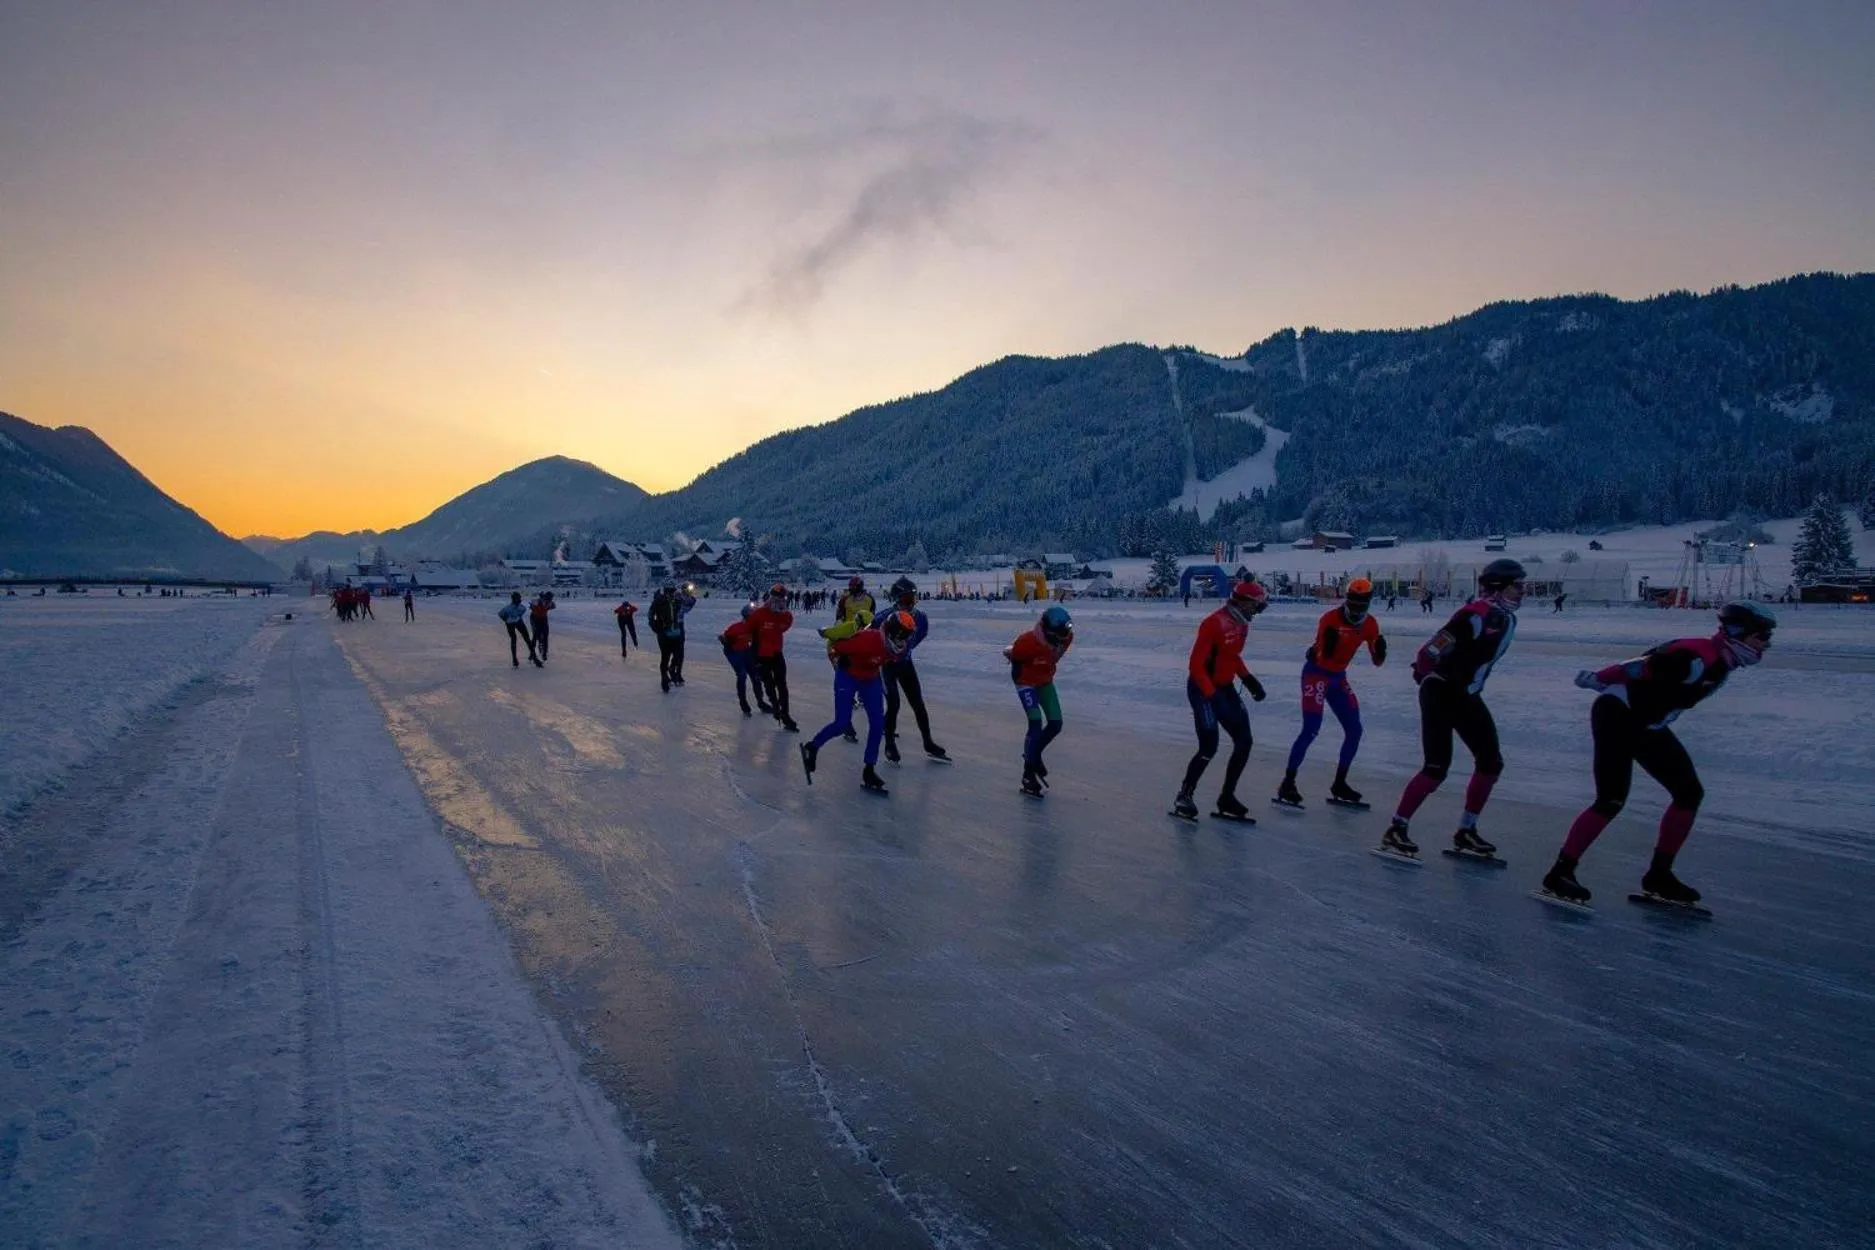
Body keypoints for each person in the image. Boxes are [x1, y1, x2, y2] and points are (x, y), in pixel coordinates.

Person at [1539, 602, 1775, 906]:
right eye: (1762, 638)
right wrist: (1599, 678)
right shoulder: (1695, 657)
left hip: (1647, 724)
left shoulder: (1720, 661)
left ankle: (1659, 876)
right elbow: (1636, 666)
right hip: (1618, 714)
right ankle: (1560, 872)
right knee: (1611, 798)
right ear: (1739, 634)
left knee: (1689, 793)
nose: (1766, 645)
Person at [1380, 558, 1526, 859]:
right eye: (1517, 586)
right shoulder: (1474, 616)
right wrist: (1423, 673)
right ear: (1497, 588)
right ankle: (1397, 828)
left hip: (1466, 695)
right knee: (1436, 768)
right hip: (1441, 692)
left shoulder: (1505, 619)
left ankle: (1466, 831)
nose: (1522, 592)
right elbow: (1431, 649)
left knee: (1491, 763)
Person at [1276, 579, 1385, 808]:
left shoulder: (1370, 624)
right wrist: (1325, 648)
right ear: (1347, 601)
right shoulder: (1329, 619)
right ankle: (1288, 782)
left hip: (1337, 678)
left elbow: (1377, 662)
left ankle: (1339, 783)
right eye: (1353, 604)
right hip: (1317, 675)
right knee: (1311, 729)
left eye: (1361, 606)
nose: (1356, 611)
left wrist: (1380, 651)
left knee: (1354, 730)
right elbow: (1319, 656)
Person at [1172, 581, 1269, 822]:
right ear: (1243, 602)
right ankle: (1185, 794)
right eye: (1256, 606)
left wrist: (1248, 679)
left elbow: (1232, 656)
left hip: (1224, 687)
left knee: (1244, 741)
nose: (1257, 612)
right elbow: (1196, 665)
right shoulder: (1213, 623)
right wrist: (1212, 696)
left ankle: (1227, 796)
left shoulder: (1242, 624)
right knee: (1209, 745)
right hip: (1203, 688)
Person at [801, 609, 915, 793]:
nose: (903, 640)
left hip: (870, 678)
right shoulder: (868, 639)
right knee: (842, 723)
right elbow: (835, 646)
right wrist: (841, 659)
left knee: (878, 725)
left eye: (906, 636)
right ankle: (812, 748)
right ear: (893, 631)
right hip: (848, 676)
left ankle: (869, 769)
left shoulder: (900, 648)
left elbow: (890, 656)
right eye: (902, 635)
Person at [1006, 605, 1074, 797]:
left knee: (1055, 724)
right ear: (1045, 630)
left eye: (1062, 637)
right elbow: (1016, 670)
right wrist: (1026, 687)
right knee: (1035, 724)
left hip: (1045, 681)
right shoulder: (1026, 643)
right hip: (1026, 682)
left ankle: (1034, 753)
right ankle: (1028, 772)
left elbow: (1053, 657)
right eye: (1055, 637)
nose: (1059, 642)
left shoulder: (1067, 638)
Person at [878, 577, 948, 763]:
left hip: (905, 665)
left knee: (918, 704)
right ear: (897, 600)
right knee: (894, 704)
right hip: (887, 666)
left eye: (913, 599)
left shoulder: (921, 619)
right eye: (906, 600)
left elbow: (917, 638)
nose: (910, 604)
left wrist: (902, 652)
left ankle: (928, 741)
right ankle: (889, 744)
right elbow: (865, 633)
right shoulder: (884, 616)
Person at [747, 583, 799, 731]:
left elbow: (782, 629)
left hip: (776, 654)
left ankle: (786, 714)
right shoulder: (759, 613)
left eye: (782, 599)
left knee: (782, 685)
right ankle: (776, 707)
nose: (779, 602)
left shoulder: (787, 616)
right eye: (776, 599)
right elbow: (748, 631)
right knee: (769, 685)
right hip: (761, 656)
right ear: (771, 598)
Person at [719, 604, 769, 716]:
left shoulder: (756, 629)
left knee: (756, 677)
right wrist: (726, 641)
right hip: (733, 652)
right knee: (742, 675)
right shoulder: (735, 628)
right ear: (746, 617)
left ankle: (761, 702)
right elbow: (724, 639)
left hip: (746, 650)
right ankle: (743, 703)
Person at [497, 592, 542, 668]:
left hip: (517, 621)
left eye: (520, 598)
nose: (519, 600)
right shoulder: (508, 608)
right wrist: (507, 620)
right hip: (512, 622)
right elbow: (500, 614)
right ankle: (515, 659)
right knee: (515, 639)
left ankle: (534, 658)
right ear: (513, 599)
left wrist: (509, 619)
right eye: (518, 598)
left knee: (527, 639)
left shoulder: (521, 607)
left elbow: (501, 614)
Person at [649, 585, 679, 692]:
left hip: (675, 632)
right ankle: (664, 679)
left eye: (673, 593)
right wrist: (656, 627)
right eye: (671, 593)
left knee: (678, 655)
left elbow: (686, 608)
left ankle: (671, 669)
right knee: (665, 656)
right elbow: (651, 615)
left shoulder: (676, 602)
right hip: (663, 633)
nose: (672, 595)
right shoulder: (659, 602)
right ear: (666, 593)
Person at [527, 591, 555, 661]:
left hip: (543, 618)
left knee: (545, 635)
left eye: (550, 599)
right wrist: (534, 605)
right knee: (536, 635)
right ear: (545, 597)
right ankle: (532, 653)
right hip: (534, 618)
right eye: (548, 599)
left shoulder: (550, 603)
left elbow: (553, 606)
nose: (549, 601)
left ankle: (544, 653)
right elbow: (531, 604)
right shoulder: (537, 601)